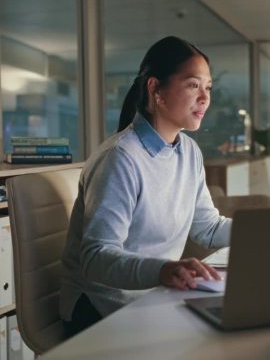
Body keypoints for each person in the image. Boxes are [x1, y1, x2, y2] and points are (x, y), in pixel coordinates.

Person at [60, 36, 231, 334]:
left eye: (208, 88)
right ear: (156, 89)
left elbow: (208, 227)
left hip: (155, 296)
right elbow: (96, 257)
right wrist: (163, 270)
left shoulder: (188, 152)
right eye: (193, 85)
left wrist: (263, 229)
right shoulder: (120, 158)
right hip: (101, 307)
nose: (205, 98)